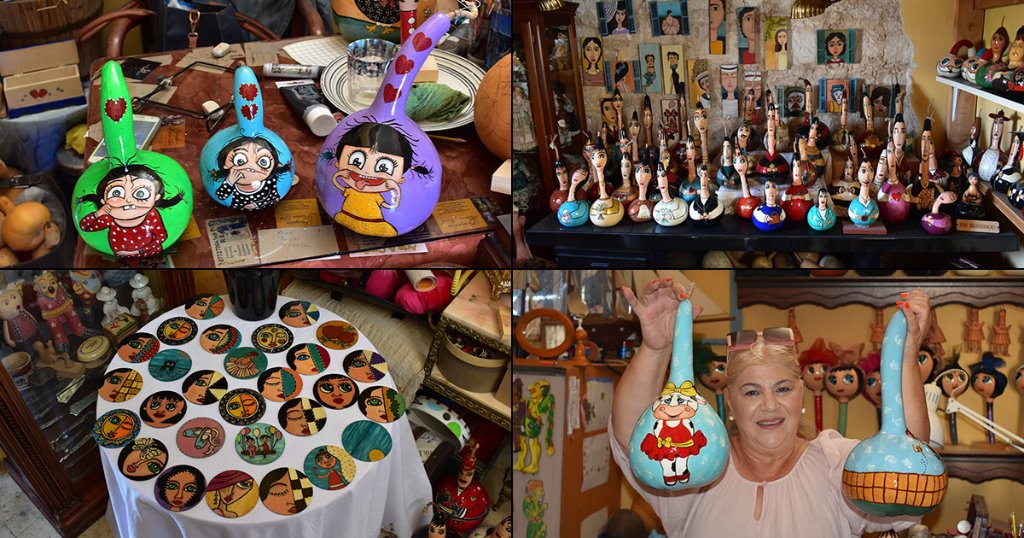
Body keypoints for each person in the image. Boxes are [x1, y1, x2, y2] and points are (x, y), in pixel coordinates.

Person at [610, 279, 931, 536]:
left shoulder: (835, 464)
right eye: (751, 392)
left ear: (800, 393)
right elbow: (631, 436)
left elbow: (908, 461)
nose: (769, 405)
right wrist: (656, 348)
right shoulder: (696, 467)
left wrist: (906, 351)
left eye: (783, 388)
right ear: (730, 400)